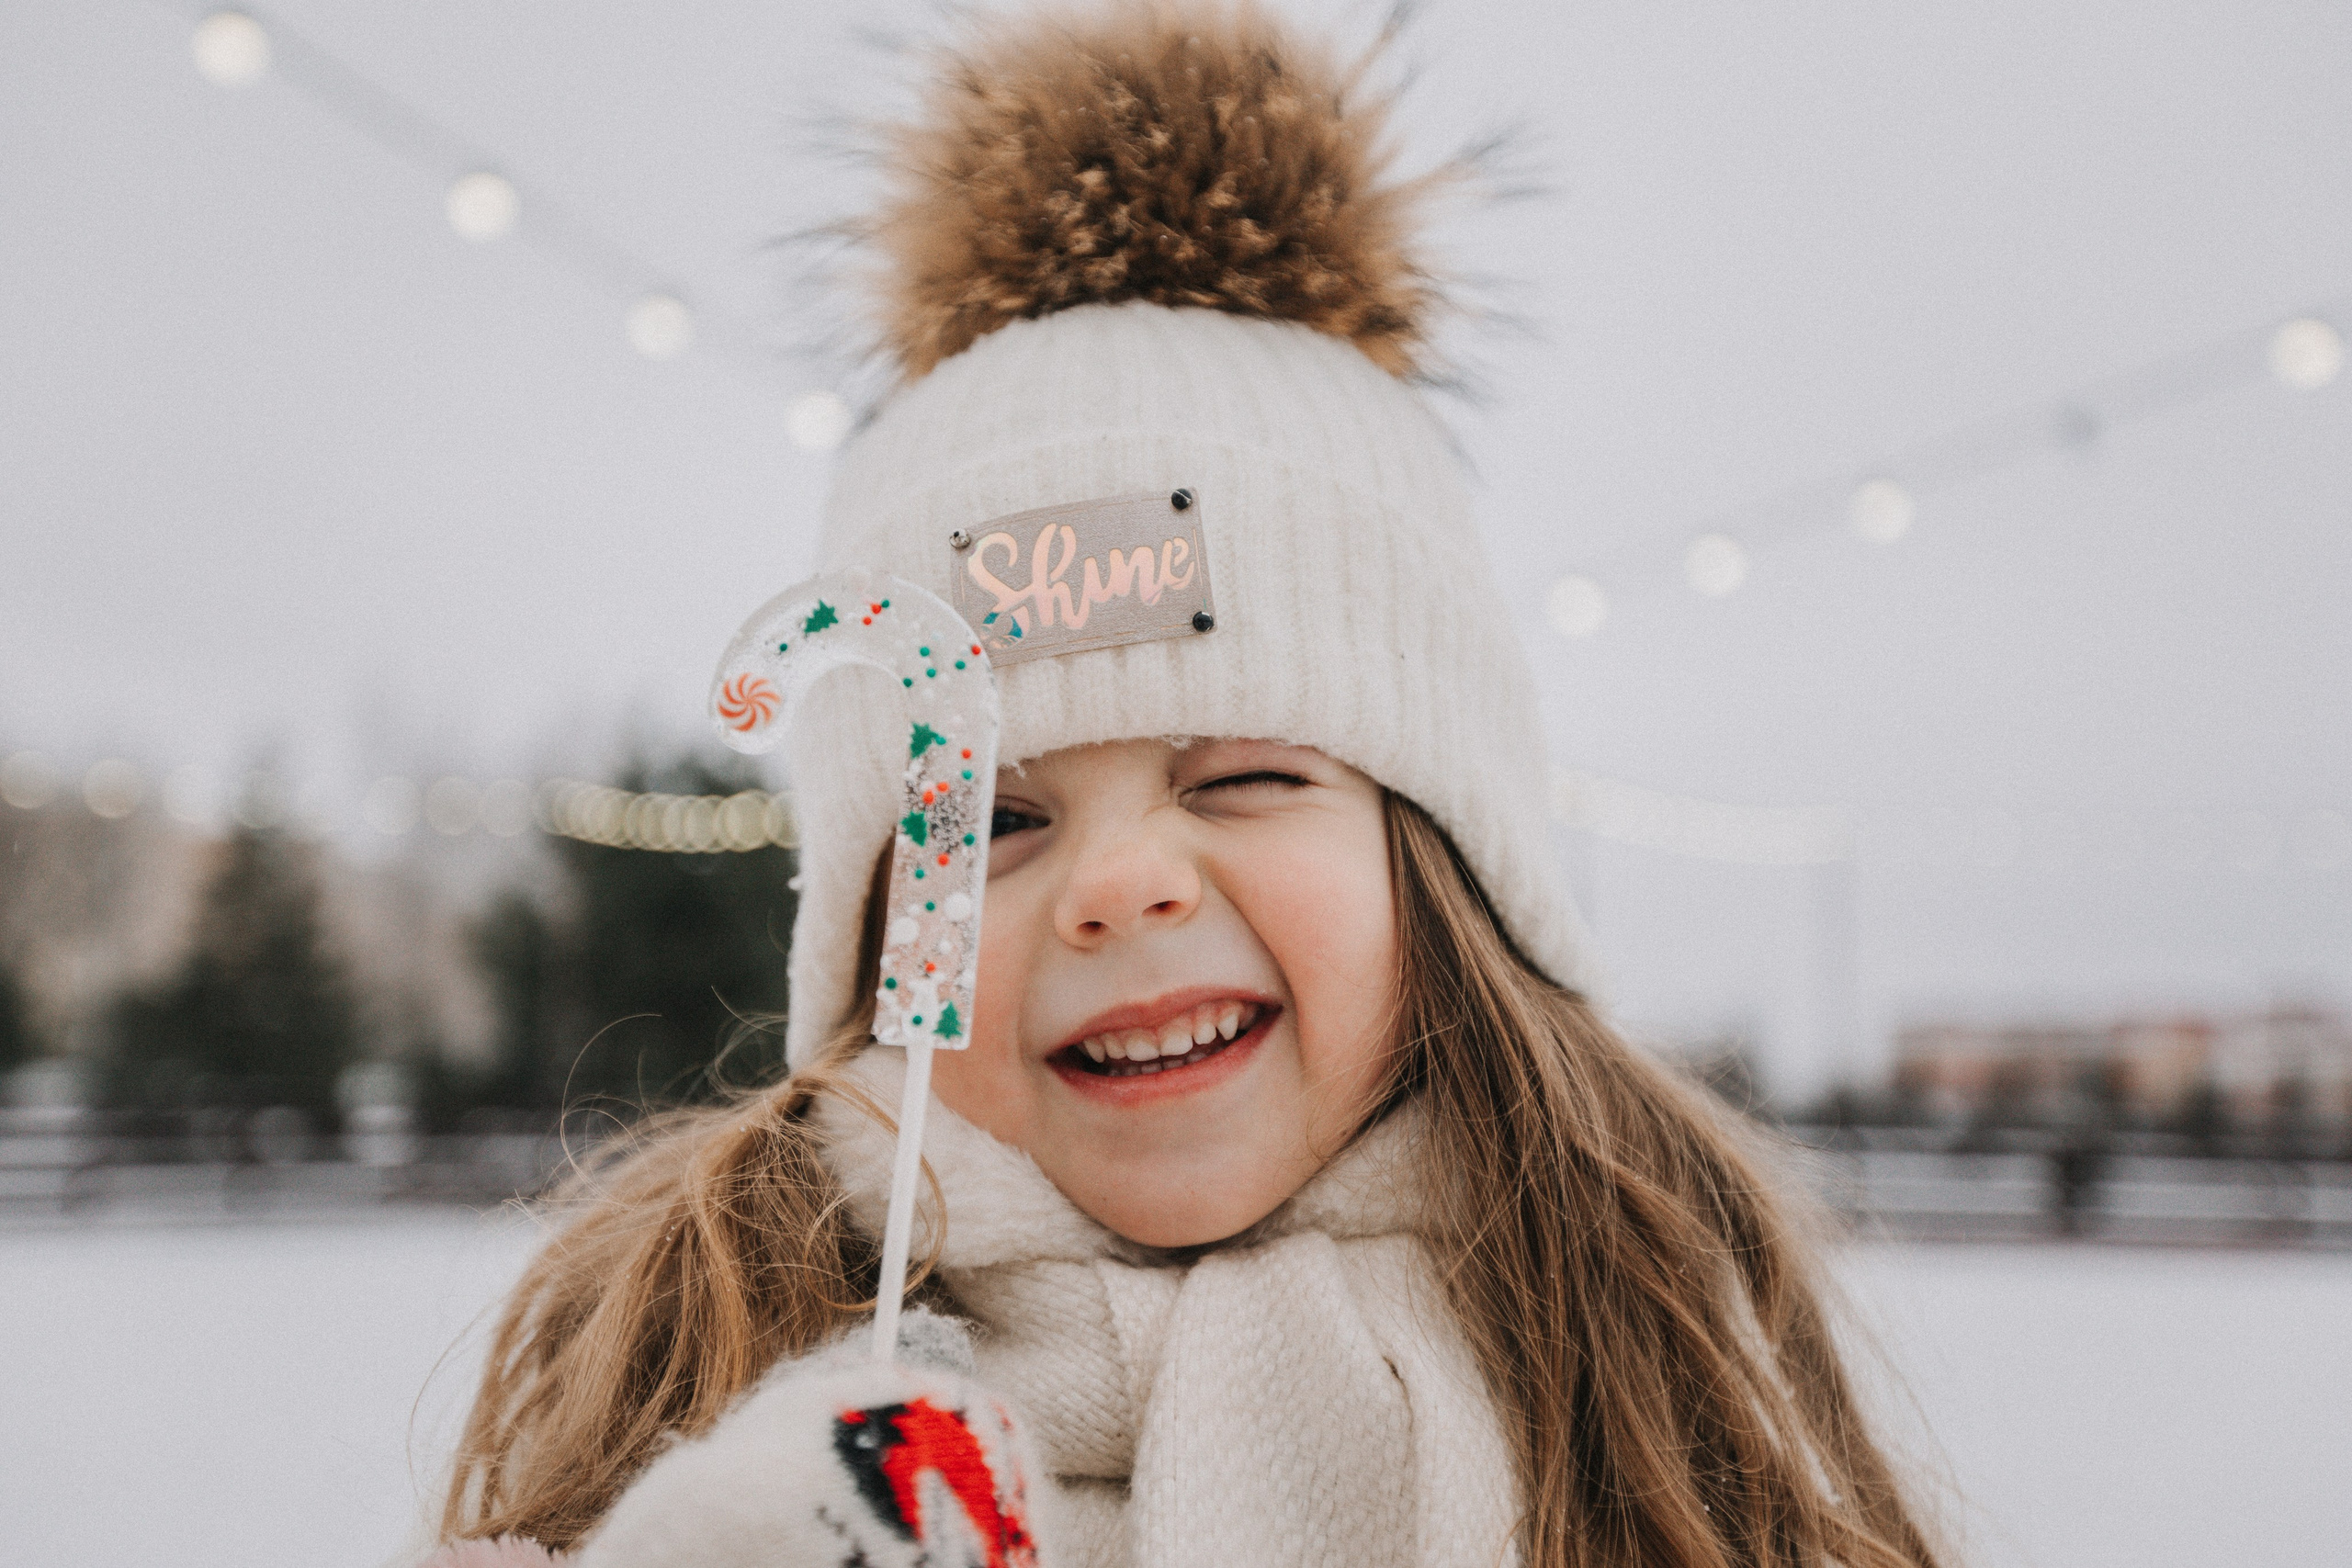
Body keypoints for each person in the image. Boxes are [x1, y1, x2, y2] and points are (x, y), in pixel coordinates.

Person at [426, 4, 1945, 1564]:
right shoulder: (704, 1365)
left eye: (1241, 777)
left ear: (1449, 862)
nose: (1115, 884)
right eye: (999, 819)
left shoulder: (1653, 1393)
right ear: (883, 949)